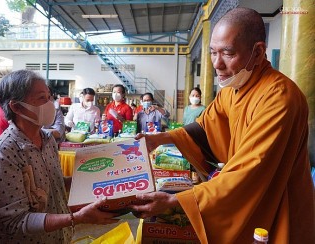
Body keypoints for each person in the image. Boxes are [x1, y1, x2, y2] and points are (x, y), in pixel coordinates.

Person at [131, 8, 315, 243]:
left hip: (276, 201)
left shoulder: (279, 97)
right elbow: (204, 128)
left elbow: (250, 170)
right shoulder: (233, 90)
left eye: (228, 53)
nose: (217, 64)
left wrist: (177, 202)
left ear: (258, 52)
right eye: (212, 52)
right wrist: (157, 139)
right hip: (247, 194)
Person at [0, 70, 118, 243]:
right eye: (41, 98)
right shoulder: (4, 153)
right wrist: (76, 218)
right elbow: (14, 221)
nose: (50, 104)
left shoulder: (47, 140)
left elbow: (55, 184)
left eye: (49, 97)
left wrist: (89, 177)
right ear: (16, 107)